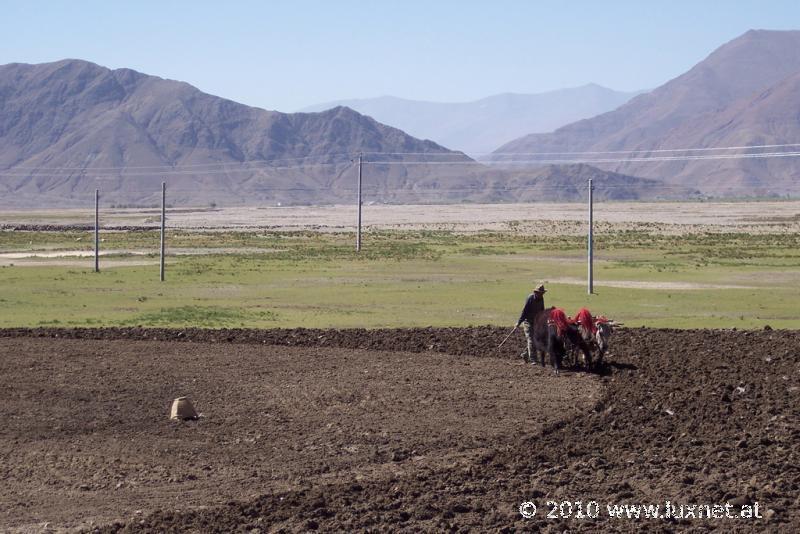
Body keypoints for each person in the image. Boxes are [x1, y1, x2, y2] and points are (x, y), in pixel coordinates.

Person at [516, 284, 546, 363]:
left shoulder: (541, 299)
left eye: (542, 293)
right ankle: (533, 359)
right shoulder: (530, 298)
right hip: (528, 322)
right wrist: (519, 322)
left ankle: (525, 354)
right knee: (531, 340)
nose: (541, 294)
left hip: (536, 322)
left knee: (535, 340)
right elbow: (524, 311)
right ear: (535, 292)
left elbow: (542, 311)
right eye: (540, 292)